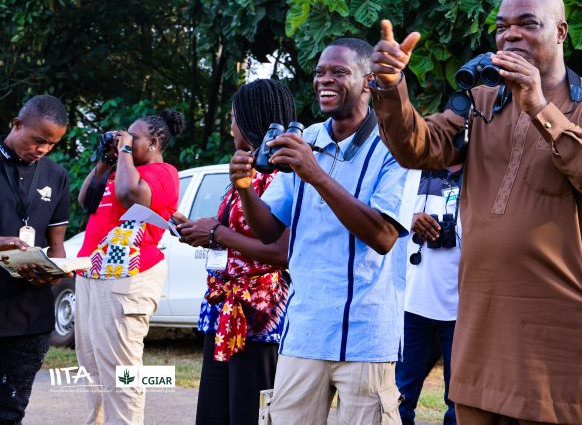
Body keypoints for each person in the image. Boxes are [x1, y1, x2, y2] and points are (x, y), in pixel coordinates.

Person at [370, 0, 582, 425]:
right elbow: (419, 147)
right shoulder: (484, 100)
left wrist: (538, 106)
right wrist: (393, 89)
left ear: (561, 32)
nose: (510, 35)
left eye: (527, 24)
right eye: (502, 27)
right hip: (483, 319)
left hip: (562, 325)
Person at [235, 38, 418, 425]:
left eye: (338, 72)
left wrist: (315, 174)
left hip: (367, 336)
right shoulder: (309, 139)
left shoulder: (398, 145)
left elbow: (384, 237)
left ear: (368, 82)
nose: (324, 80)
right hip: (305, 330)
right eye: (319, 72)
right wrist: (246, 187)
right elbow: (269, 231)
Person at [175, 79, 295, 425]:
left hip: (259, 313)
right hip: (223, 309)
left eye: (233, 118)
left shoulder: (281, 173)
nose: (230, 127)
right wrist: (202, 230)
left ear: (251, 119)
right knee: (215, 412)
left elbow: (280, 251)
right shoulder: (246, 170)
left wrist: (217, 232)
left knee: (247, 412)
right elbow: (234, 232)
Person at [75, 109, 185, 425]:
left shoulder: (163, 172)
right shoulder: (119, 169)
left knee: (120, 368)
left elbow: (129, 195)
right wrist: (105, 160)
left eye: (133, 137)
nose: (126, 139)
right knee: (92, 364)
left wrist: (123, 152)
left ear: (152, 142)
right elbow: (86, 201)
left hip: (127, 278)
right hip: (91, 272)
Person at [0, 95, 72, 424]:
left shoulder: (56, 176)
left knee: (12, 408)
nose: (43, 149)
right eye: (39, 140)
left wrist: (56, 271)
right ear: (17, 125)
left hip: (30, 316)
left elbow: (56, 244)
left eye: (52, 143)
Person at [397, 166, 462, 425]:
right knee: (399, 398)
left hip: (461, 309)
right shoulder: (412, 170)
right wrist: (409, 218)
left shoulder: (479, 171)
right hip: (412, 304)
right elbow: (381, 210)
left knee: (459, 406)